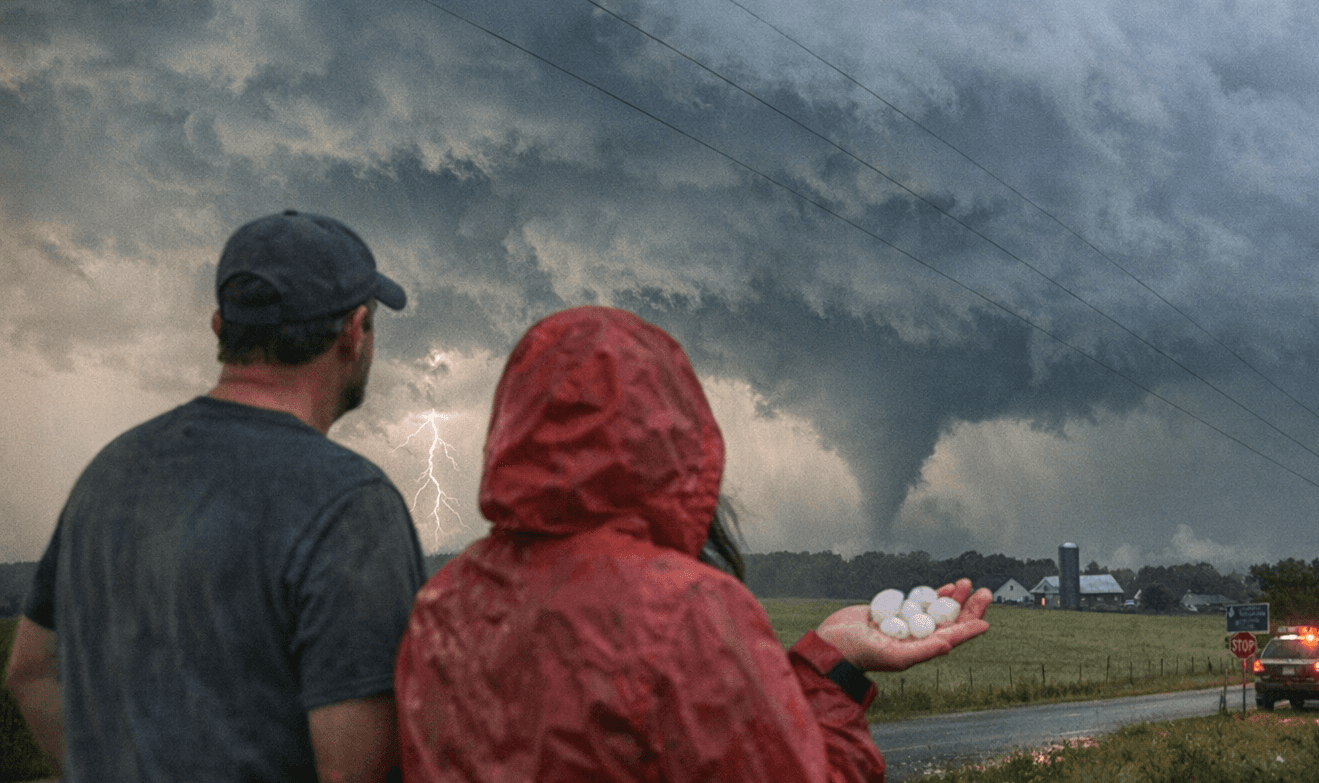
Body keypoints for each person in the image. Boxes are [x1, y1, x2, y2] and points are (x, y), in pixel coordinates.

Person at [394, 306, 991, 782]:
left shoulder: (441, 602)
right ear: (677, 436)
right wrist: (833, 674)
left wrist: (827, 653)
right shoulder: (684, 611)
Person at [4, 210, 427, 782]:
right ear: (354, 332)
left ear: (219, 328)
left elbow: (29, 672)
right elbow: (361, 770)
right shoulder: (352, 504)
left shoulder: (110, 470)